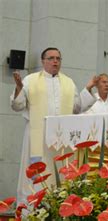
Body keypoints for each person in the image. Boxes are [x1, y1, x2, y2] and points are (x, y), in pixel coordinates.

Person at [10, 47, 97, 204]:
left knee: (60, 176)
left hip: (61, 142)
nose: (55, 61)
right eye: (51, 58)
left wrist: (88, 89)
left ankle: (60, 208)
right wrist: (18, 88)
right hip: (38, 139)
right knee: (38, 177)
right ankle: (35, 211)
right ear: (43, 61)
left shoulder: (68, 82)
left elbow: (77, 108)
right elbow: (17, 106)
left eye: (58, 58)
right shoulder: (30, 80)